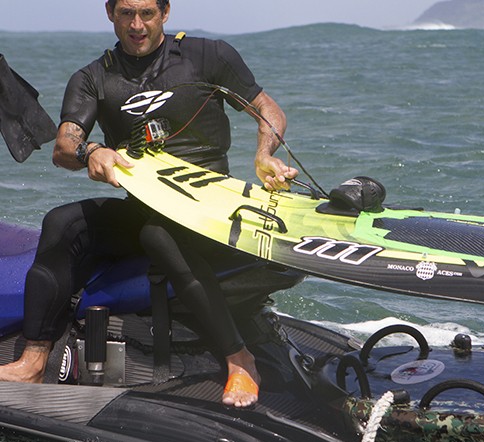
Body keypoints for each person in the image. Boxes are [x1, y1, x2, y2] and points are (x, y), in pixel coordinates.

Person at [0, 0, 298, 408]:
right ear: (110, 12)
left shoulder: (208, 56)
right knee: (62, 223)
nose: (136, 25)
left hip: (210, 208)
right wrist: (91, 151)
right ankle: (33, 360)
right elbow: (64, 146)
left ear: (165, 12)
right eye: (126, 13)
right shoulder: (94, 77)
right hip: (147, 204)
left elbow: (268, 109)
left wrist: (264, 155)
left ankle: (239, 359)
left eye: (146, 14)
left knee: (159, 235)